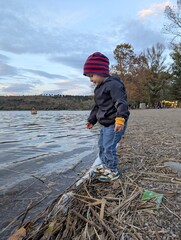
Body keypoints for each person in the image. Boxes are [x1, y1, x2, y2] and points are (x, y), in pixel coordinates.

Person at [83, 52, 130, 182]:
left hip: (115, 122)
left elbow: (121, 102)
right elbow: (97, 106)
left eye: (91, 75)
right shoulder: (98, 89)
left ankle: (112, 170)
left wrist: (120, 119)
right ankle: (105, 166)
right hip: (105, 123)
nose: (90, 79)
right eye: (88, 77)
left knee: (109, 146)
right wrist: (91, 120)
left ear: (100, 71)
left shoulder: (114, 84)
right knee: (102, 146)